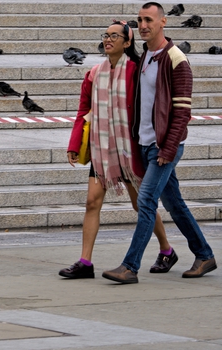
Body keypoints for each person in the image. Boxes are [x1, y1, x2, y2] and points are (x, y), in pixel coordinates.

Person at [103, 2, 217, 285]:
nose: (143, 25)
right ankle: (204, 254)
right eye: (140, 20)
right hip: (145, 144)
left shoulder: (176, 58)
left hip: (163, 146)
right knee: (175, 204)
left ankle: (130, 266)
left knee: (146, 201)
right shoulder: (145, 57)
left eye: (149, 20)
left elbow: (182, 111)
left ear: (163, 22)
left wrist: (168, 148)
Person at [60, 21, 174, 280]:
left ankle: (166, 250)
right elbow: (83, 111)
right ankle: (85, 262)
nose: (108, 40)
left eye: (115, 36)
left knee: (140, 205)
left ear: (127, 42)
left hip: (130, 148)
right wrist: (74, 144)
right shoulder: (93, 74)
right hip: (101, 148)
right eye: (106, 35)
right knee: (92, 202)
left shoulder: (137, 71)